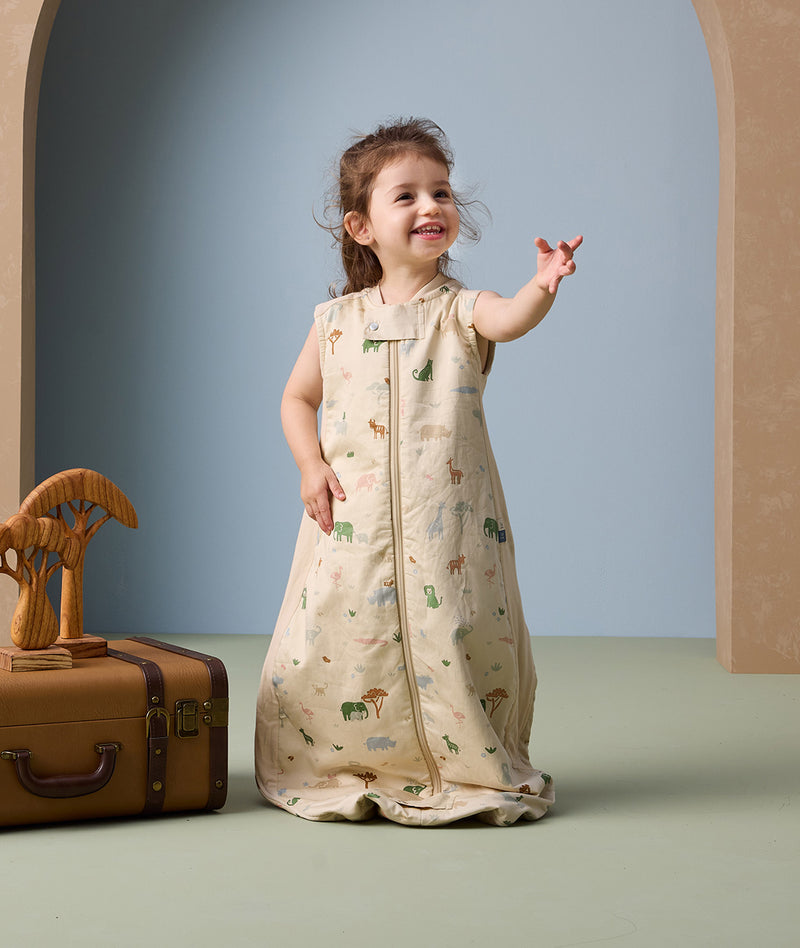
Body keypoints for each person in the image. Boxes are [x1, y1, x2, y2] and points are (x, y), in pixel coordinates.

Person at [255, 117, 581, 825]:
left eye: (441, 192)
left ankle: (460, 760)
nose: (430, 206)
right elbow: (296, 396)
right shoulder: (334, 320)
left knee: (457, 633)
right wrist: (310, 465)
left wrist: (544, 284)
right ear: (361, 225)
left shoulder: (463, 310)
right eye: (405, 196)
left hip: (448, 529)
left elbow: (510, 319)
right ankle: (348, 757)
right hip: (351, 523)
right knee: (344, 638)